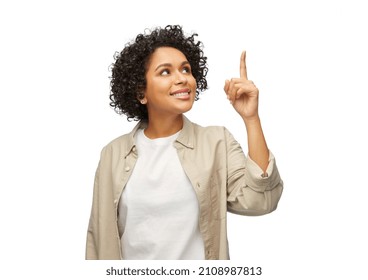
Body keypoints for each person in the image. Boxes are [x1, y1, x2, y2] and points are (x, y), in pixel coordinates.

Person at [85, 25, 283, 260]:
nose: (182, 79)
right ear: (141, 93)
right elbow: (98, 240)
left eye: (186, 69)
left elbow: (260, 201)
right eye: (165, 72)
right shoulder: (112, 154)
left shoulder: (216, 142)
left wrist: (251, 119)